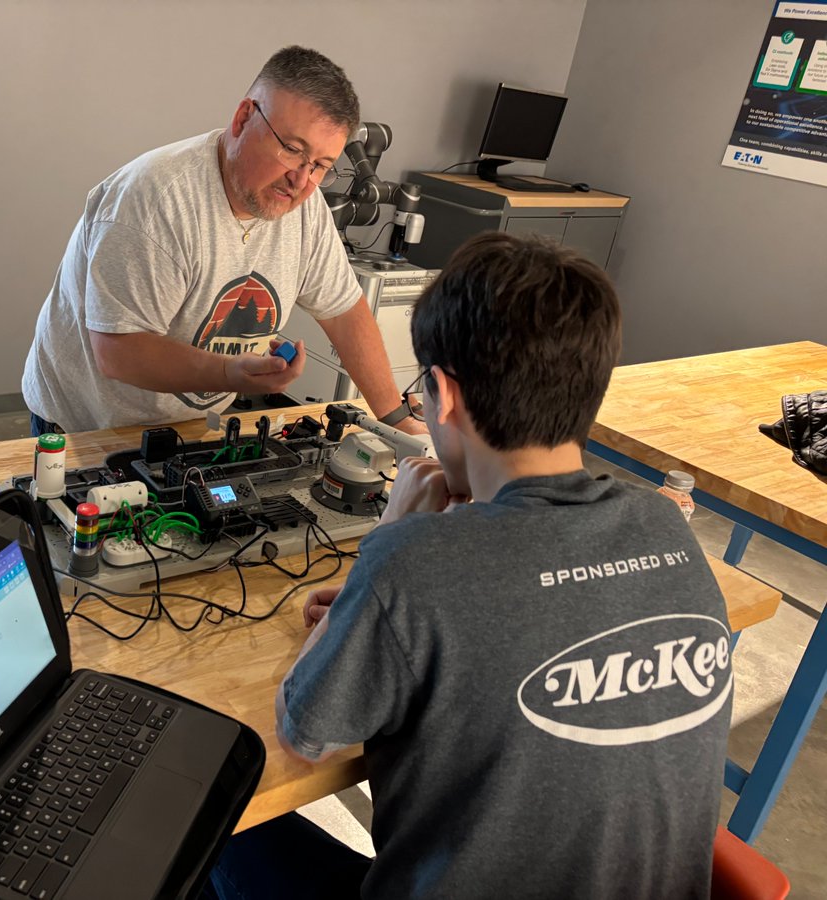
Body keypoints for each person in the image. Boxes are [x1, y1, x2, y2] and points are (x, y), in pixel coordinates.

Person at [206, 232, 733, 899]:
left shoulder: (413, 562)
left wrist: (395, 538)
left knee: (218, 819)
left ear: (443, 395)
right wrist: (381, 601)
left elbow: (303, 733)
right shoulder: (663, 522)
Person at [21, 46, 425, 437]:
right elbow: (119, 351)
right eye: (291, 150)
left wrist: (396, 418)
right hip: (84, 427)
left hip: (189, 427)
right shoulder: (155, 200)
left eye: (320, 165)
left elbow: (344, 312)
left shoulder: (306, 208)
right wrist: (230, 373)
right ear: (244, 117)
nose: (301, 181)